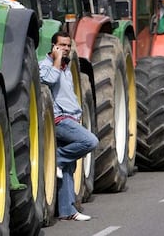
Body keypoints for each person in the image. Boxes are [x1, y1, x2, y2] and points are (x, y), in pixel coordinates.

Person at [39, 31, 99, 221]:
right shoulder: (45, 65)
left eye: (68, 45)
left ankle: (67, 211)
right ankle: (55, 159)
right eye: (62, 45)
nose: (66, 49)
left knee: (68, 168)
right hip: (58, 120)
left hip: (71, 119)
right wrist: (56, 61)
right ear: (53, 46)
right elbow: (47, 82)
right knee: (90, 141)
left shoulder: (67, 67)